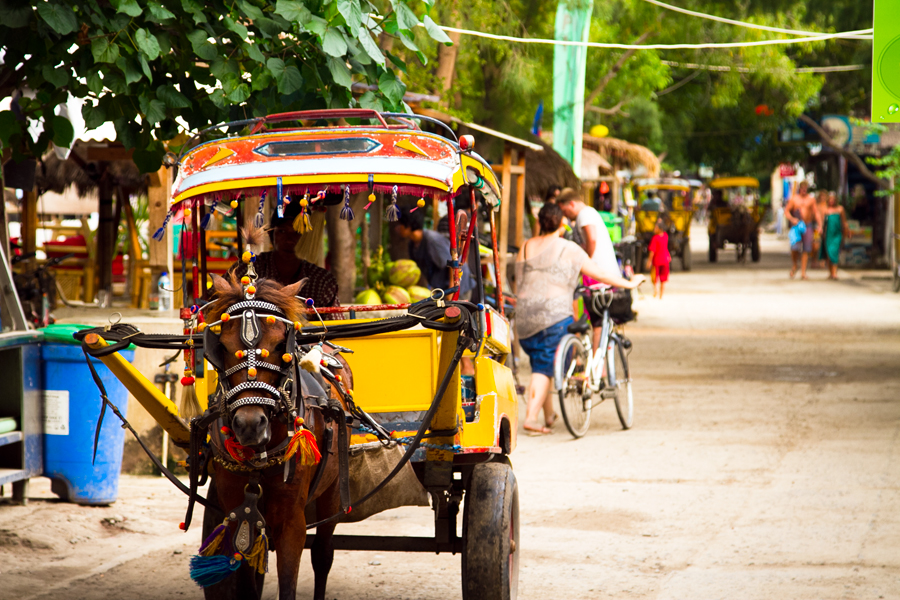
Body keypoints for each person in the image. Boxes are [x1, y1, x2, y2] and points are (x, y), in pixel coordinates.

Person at [515, 203, 645, 435]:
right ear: (562, 223)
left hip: (524, 317)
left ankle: (548, 415)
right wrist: (630, 282)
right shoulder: (570, 248)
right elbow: (600, 273)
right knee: (545, 368)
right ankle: (532, 418)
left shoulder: (526, 246)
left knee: (541, 362)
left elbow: (519, 279)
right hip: (553, 316)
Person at [228, 212, 341, 314]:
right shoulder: (249, 268)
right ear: (272, 235)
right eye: (282, 231)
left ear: (307, 239)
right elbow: (217, 299)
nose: (289, 239)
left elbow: (334, 324)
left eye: (297, 232)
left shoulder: (322, 280)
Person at [556, 188, 620, 352]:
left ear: (571, 204)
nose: (566, 215)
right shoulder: (587, 214)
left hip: (597, 274)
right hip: (598, 274)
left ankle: (598, 365)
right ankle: (598, 366)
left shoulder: (585, 215)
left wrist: (586, 260)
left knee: (597, 322)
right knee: (598, 322)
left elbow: (591, 238)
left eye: (565, 211)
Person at [394, 206, 474, 296]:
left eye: (398, 224)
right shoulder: (412, 244)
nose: (396, 228)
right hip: (443, 288)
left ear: (407, 225)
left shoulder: (432, 240)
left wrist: (452, 291)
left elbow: (453, 263)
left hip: (459, 286)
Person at [784, 181, 820, 280]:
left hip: (807, 225)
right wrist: (792, 219)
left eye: (805, 189)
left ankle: (803, 272)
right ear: (799, 189)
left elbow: (816, 212)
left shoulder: (811, 200)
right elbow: (786, 211)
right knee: (794, 248)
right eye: (802, 188)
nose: (804, 190)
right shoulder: (794, 199)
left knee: (806, 249)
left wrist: (820, 225)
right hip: (796, 226)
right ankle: (795, 264)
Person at [820, 191, 850, 280]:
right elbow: (822, 223)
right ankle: (830, 272)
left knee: (834, 251)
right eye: (830, 199)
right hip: (828, 234)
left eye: (833, 199)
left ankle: (834, 272)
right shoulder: (825, 210)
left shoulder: (840, 209)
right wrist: (821, 231)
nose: (831, 201)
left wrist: (847, 231)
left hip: (837, 234)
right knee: (829, 252)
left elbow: (844, 222)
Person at [646, 219, 671, 298]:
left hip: (657, 261)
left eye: (656, 228)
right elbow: (665, 247)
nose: (654, 229)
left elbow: (652, 251)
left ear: (660, 229)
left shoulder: (655, 238)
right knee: (663, 278)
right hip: (665, 260)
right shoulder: (665, 236)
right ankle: (661, 294)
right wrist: (668, 255)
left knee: (654, 277)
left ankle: (655, 290)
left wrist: (649, 261)